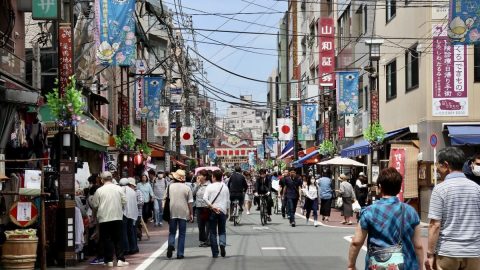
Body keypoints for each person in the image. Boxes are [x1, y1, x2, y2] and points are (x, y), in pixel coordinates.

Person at [348, 167, 424, 270]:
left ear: (379, 187)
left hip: (377, 266)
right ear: (399, 187)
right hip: (407, 265)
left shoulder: (369, 211)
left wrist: (351, 265)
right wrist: (419, 267)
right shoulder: (410, 211)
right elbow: (418, 246)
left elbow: (356, 242)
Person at [426, 147, 480, 270]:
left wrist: (430, 253)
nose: (437, 169)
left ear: (446, 165)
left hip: (448, 252)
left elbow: (435, 225)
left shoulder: (440, 189)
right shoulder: (477, 188)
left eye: (438, 165)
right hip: (474, 252)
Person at [90, 172, 129, 267]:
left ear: (102, 180)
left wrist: (94, 217)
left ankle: (109, 260)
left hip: (104, 218)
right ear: (111, 179)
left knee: (107, 239)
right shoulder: (118, 189)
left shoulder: (99, 190)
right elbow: (124, 201)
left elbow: (94, 205)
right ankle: (120, 259)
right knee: (118, 239)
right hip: (117, 217)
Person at [164, 170, 194, 259]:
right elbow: (190, 202)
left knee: (172, 232)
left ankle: (171, 244)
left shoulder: (169, 187)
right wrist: (191, 213)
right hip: (183, 213)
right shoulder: (187, 188)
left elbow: (165, 199)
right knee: (182, 234)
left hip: (172, 212)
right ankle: (180, 254)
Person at [204, 170, 230, 258]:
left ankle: (215, 253)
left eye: (212, 176)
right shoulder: (225, 187)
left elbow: (205, 198)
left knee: (213, 232)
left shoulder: (209, 186)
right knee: (222, 230)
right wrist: (227, 211)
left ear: (214, 177)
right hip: (222, 211)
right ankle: (222, 244)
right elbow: (228, 201)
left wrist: (212, 206)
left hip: (213, 211)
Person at [120, 178, 139, 255]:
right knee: (131, 230)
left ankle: (125, 248)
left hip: (124, 213)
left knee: (124, 231)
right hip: (132, 213)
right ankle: (133, 247)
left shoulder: (121, 190)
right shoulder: (132, 191)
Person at [193, 169, 210, 247]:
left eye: (200, 175)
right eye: (198, 175)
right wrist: (197, 184)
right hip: (199, 207)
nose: (198, 176)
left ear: (205, 177)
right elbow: (192, 193)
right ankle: (202, 240)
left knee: (207, 224)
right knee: (200, 225)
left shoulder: (209, 185)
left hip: (207, 207)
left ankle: (208, 240)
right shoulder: (197, 185)